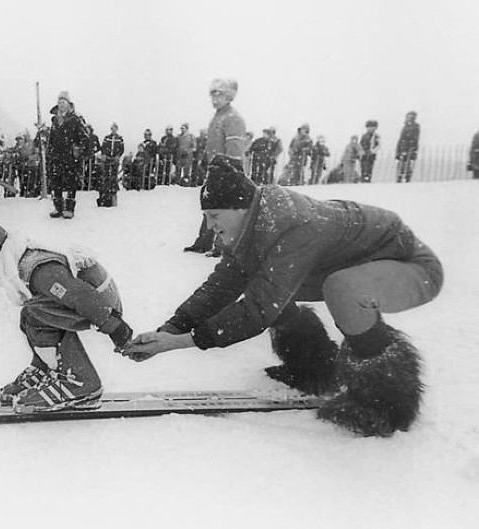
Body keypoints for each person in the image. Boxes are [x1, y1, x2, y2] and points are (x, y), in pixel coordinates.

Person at [121, 156, 443, 437]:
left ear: (240, 207)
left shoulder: (291, 223)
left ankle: (385, 401)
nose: (210, 225)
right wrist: (170, 329)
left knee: (337, 290)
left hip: (411, 266)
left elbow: (259, 310)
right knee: (262, 280)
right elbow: (222, 285)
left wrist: (181, 343)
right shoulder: (254, 225)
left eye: (214, 215)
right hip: (352, 265)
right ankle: (313, 365)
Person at [0, 218, 133, 412]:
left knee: (38, 314)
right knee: (29, 315)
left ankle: (80, 382)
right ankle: (49, 368)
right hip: (89, 300)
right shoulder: (19, 262)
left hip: (98, 302)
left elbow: (80, 295)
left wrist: (116, 328)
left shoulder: (39, 271)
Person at [184, 78, 246, 254]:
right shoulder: (218, 116)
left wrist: (229, 171)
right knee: (210, 205)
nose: (215, 100)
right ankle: (203, 242)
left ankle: (221, 247)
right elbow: (212, 144)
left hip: (226, 170)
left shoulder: (233, 118)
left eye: (219, 95)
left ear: (228, 97)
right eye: (213, 95)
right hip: (214, 169)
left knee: (223, 208)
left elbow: (234, 149)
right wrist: (205, 161)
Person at [47, 91, 88, 219]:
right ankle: (58, 207)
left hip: (70, 156)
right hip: (57, 155)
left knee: (71, 181)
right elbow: (52, 139)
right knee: (56, 181)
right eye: (59, 102)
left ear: (69, 104)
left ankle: (69, 209)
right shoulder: (55, 120)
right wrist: (50, 151)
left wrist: (79, 150)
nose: (61, 104)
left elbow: (84, 137)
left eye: (63, 102)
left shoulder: (75, 119)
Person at [396, 111, 420, 183]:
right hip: (403, 147)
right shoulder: (405, 127)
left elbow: (415, 138)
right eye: (408, 117)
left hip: (410, 147)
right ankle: (399, 176)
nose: (409, 119)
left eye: (411, 117)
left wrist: (413, 147)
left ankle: (407, 177)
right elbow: (401, 138)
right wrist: (398, 149)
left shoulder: (415, 126)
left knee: (408, 163)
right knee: (401, 163)